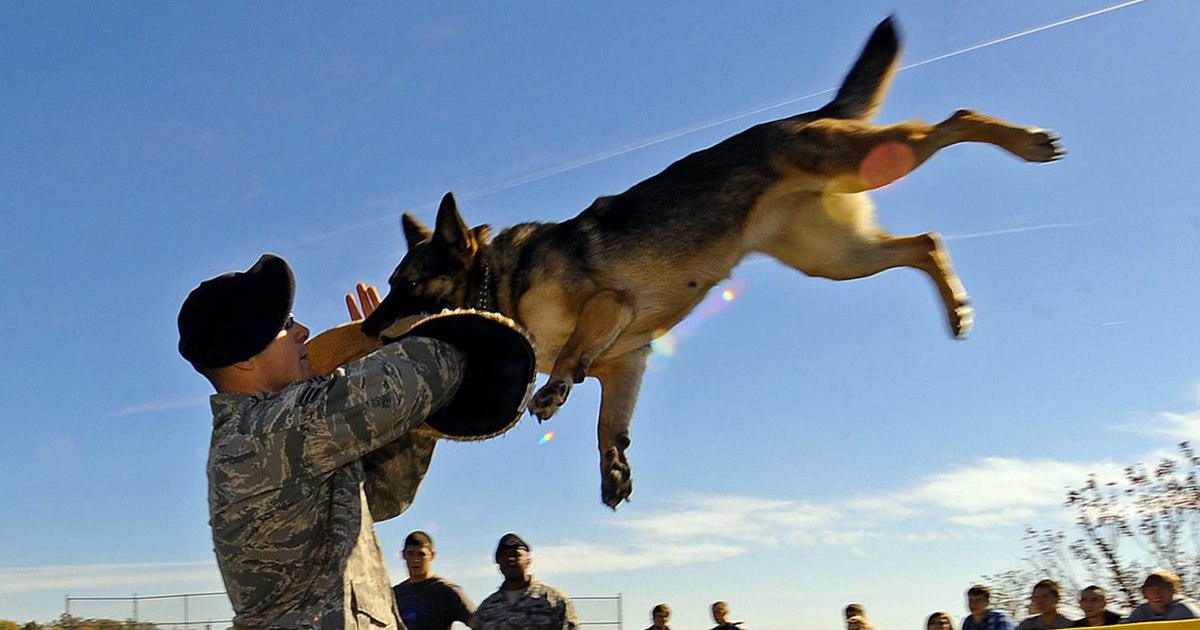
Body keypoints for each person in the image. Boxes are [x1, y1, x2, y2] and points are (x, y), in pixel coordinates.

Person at [180, 255, 531, 629]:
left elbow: (386, 496)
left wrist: (385, 361)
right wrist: (405, 329)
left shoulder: (285, 435)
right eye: (286, 324)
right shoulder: (269, 430)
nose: (304, 331)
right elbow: (432, 368)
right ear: (246, 358)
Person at [473, 533, 579, 630]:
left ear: (528, 561)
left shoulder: (554, 600)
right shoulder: (487, 608)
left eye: (516, 554)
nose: (510, 559)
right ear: (498, 563)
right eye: (504, 556)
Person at [392, 531, 475, 630]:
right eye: (410, 553)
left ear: (432, 555)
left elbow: (480, 623)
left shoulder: (446, 591)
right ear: (403, 555)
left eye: (421, 554)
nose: (415, 559)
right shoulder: (395, 594)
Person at [1123, 570, 1200, 622]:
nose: (1156, 594)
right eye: (1151, 590)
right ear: (1144, 593)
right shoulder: (1142, 611)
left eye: (1162, 589)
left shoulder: (1184, 609)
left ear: (1173, 591)